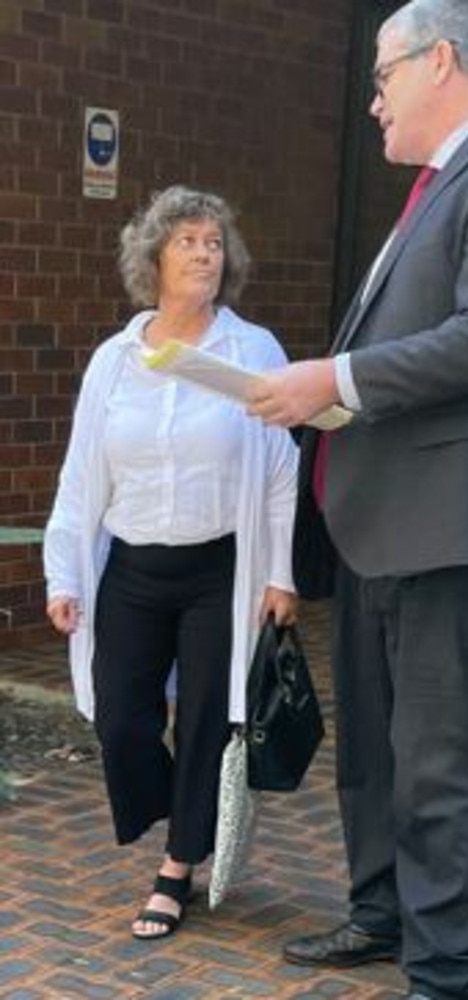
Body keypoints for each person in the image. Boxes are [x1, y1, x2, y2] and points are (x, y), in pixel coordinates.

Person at [246, 1, 468, 997]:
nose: (371, 102)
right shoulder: (435, 191)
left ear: (439, 62)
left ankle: (445, 972)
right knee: (377, 752)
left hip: (464, 528)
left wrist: (333, 381)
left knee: (446, 764)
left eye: (383, 75)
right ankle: (381, 911)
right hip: (381, 525)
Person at [43, 185, 298, 941]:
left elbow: (281, 470)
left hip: (219, 569)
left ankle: (177, 866)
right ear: (152, 257)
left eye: (214, 242)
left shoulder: (252, 351)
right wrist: (64, 573)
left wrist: (280, 572)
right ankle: (180, 809)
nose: (203, 253)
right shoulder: (115, 361)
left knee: (206, 727)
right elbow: (81, 471)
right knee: (121, 718)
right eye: (187, 240)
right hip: (133, 567)